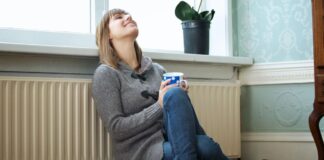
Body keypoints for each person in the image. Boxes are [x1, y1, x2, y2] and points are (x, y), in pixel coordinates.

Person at [92, 8, 229, 160]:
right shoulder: (106, 74)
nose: (129, 17)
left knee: (176, 94)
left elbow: (174, 113)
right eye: (119, 17)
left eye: (128, 15)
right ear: (108, 34)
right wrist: (159, 105)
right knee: (206, 147)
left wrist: (179, 96)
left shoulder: (157, 70)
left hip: (175, 140)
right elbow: (117, 129)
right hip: (142, 150)